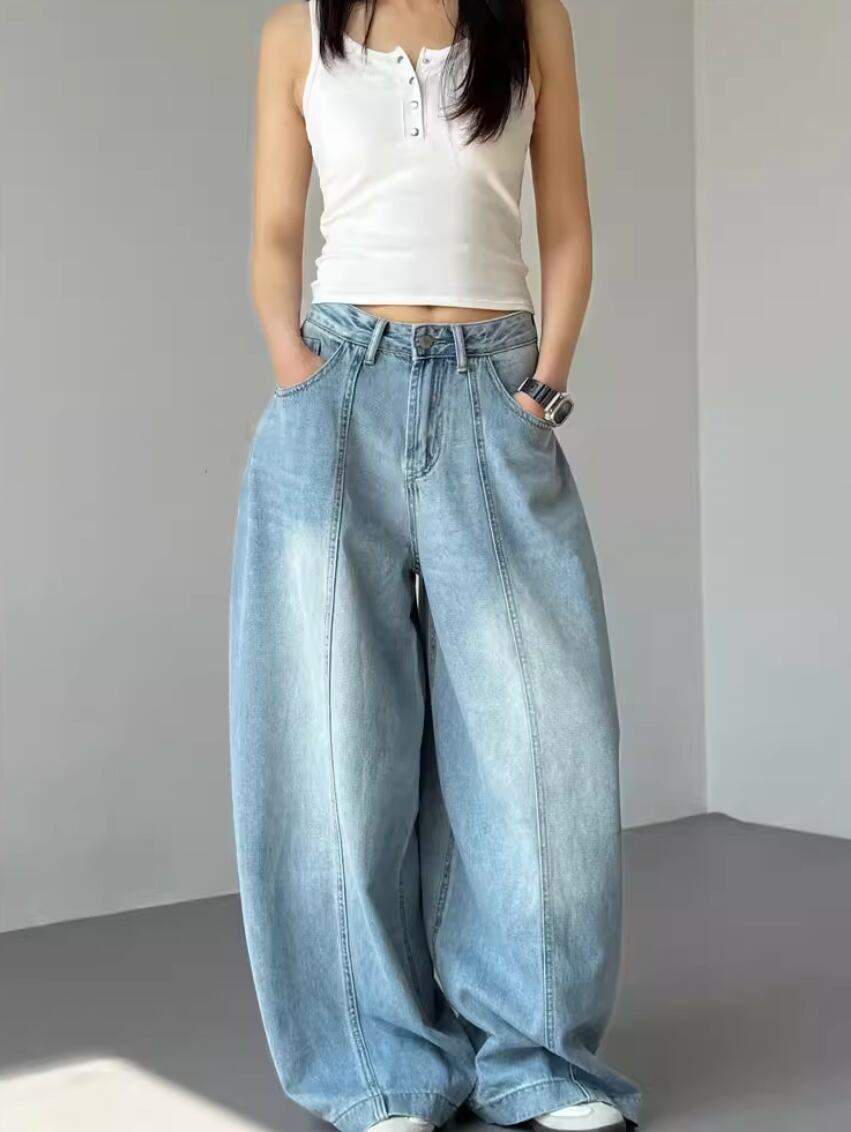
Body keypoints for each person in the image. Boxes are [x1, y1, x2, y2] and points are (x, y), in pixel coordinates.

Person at [228, 2, 642, 1131]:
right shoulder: (295, 35)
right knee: (330, 745)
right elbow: (275, 230)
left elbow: (566, 226)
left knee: (540, 743)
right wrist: (294, 367)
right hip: (338, 391)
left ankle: (539, 1062)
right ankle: (376, 1070)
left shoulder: (529, 19)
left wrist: (543, 386)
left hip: (491, 386)